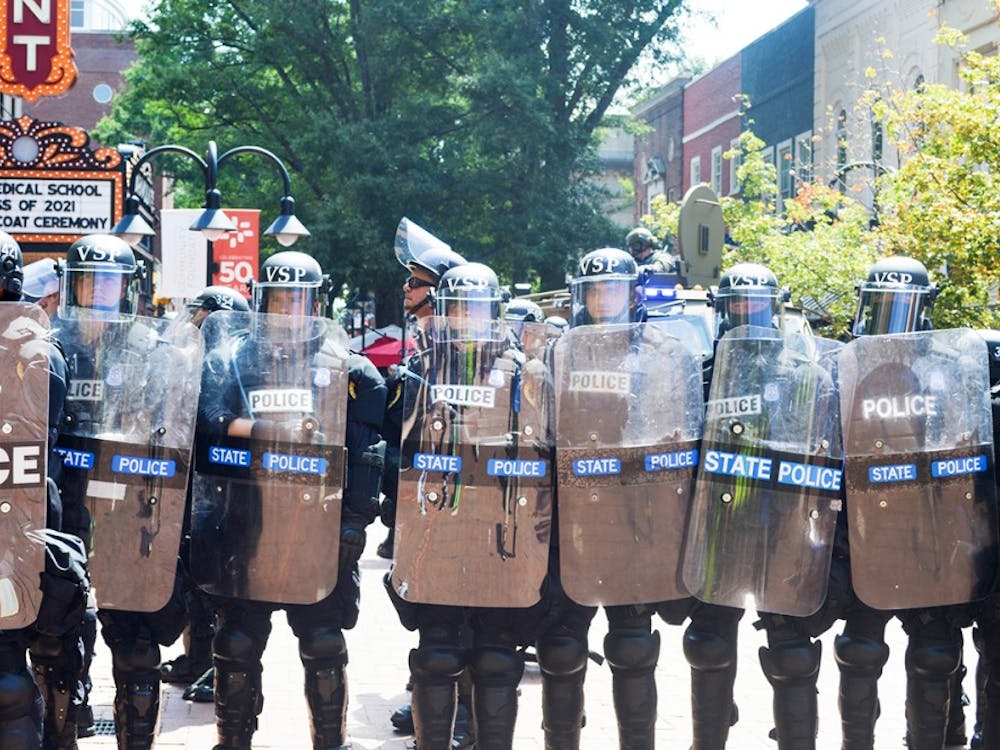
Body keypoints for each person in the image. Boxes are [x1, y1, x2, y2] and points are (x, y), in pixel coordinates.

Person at [195, 250, 386, 750]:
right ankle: (231, 741)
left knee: (323, 643)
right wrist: (267, 431)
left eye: (296, 299)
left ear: (315, 302)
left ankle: (331, 742)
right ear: (261, 302)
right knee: (235, 644)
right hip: (245, 521)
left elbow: (367, 457)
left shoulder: (349, 368)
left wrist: (354, 525)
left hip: (315, 527)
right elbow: (206, 425)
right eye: (277, 299)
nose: (286, 310)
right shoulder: (232, 359)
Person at [387, 261, 546, 750]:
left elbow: (543, 448)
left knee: (497, 655)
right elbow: (398, 450)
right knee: (436, 650)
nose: (465, 319)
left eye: (474, 309)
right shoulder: (420, 366)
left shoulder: (524, 369)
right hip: (437, 523)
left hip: (500, 523)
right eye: (457, 309)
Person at [53, 234, 203, 750]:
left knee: (137, 646)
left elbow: (172, 433)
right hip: (61, 505)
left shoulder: (152, 350)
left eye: (109, 282)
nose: (98, 292)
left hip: (126, 510)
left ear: (127, 289)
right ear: (72, 287)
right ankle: (62, 736)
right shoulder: (51, 345)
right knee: (56, 639)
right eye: (89, 282)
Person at [0, 230, 91, 750]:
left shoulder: (35, 351)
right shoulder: (43, 349)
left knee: (23, 666)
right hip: (24, 521)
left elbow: (35, 429)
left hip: (20, 519)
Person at [160, 285, 252, 705]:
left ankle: (220, 668)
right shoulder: (191, 361)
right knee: (193, 574)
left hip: (225, 486)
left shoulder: (232, 365)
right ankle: (196, 659)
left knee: (221, 582)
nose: (192, 323)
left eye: (200, 315)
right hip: (190, 480)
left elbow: (216, 419)